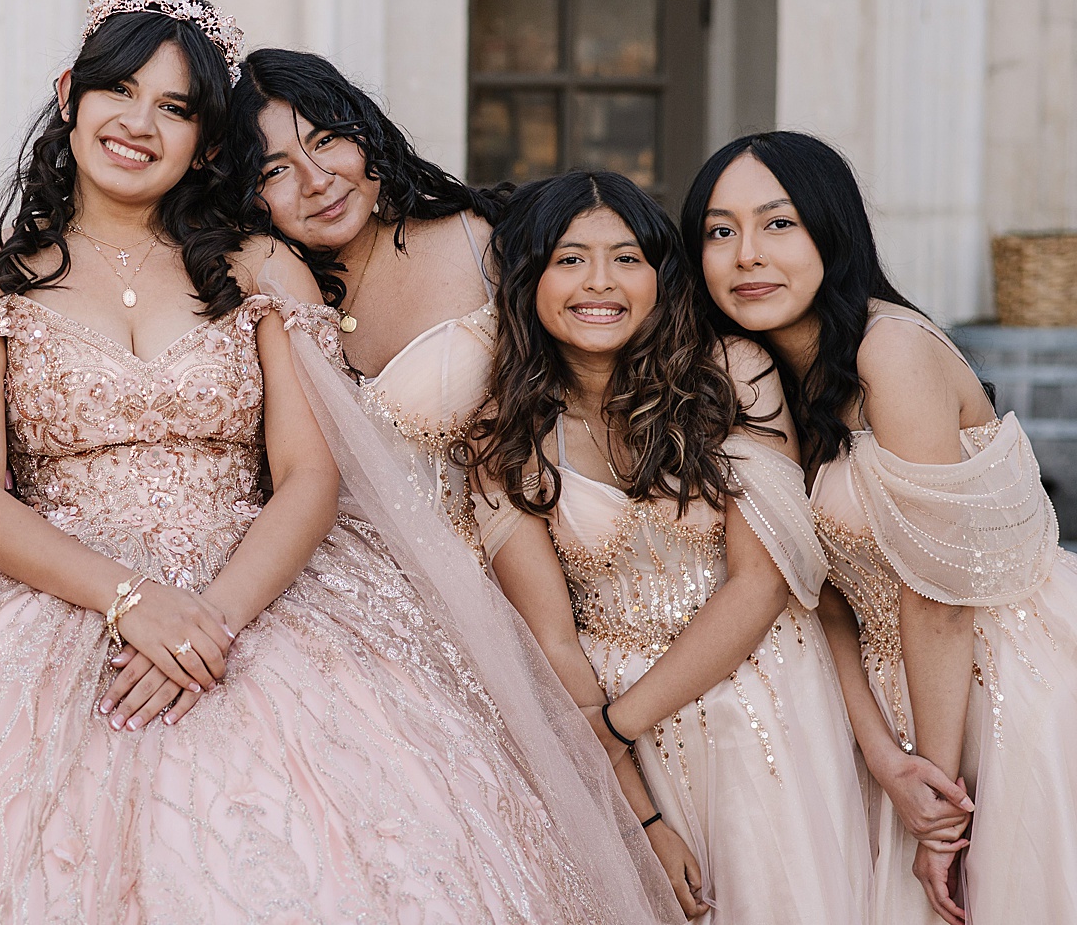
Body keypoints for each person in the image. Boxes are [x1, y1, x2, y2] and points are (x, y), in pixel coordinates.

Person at [0, 0, 681, 924]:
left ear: (207, 142)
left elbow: (312, 476)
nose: (139, 123)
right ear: (70, 96)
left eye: (176, 107)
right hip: (50, 597)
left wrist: (211, 622)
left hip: (263, 590)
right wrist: (132, 601)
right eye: (119, 92)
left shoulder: (259, 265)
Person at [681, 131, 1077, 924]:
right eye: (721, 232)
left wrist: (940, 812)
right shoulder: (758, 379)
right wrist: (880, 755)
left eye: (779, 223)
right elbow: (823, 597)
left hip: (999, 674)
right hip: (896, 701)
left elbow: (939, 597)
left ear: (833, 230)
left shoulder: (889, 349)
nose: (748, 255)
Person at [472, 170, 870, 924]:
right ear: (529, 280)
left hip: (762, 690)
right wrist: (637, 813)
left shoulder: (731, 375)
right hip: (617, 729)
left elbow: (761, 584)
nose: (602, 282)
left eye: (627, 258)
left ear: (661, 275)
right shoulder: (507, 433)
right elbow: (552, 639)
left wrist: (615, 727)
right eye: (569, 258)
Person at [232, 47, 504, 547]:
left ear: (366, 132)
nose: (317, 182)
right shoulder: (256, 301)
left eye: (327, 139)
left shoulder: (482, 240)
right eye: (275, 171)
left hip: (505, 573)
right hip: (343, 592)